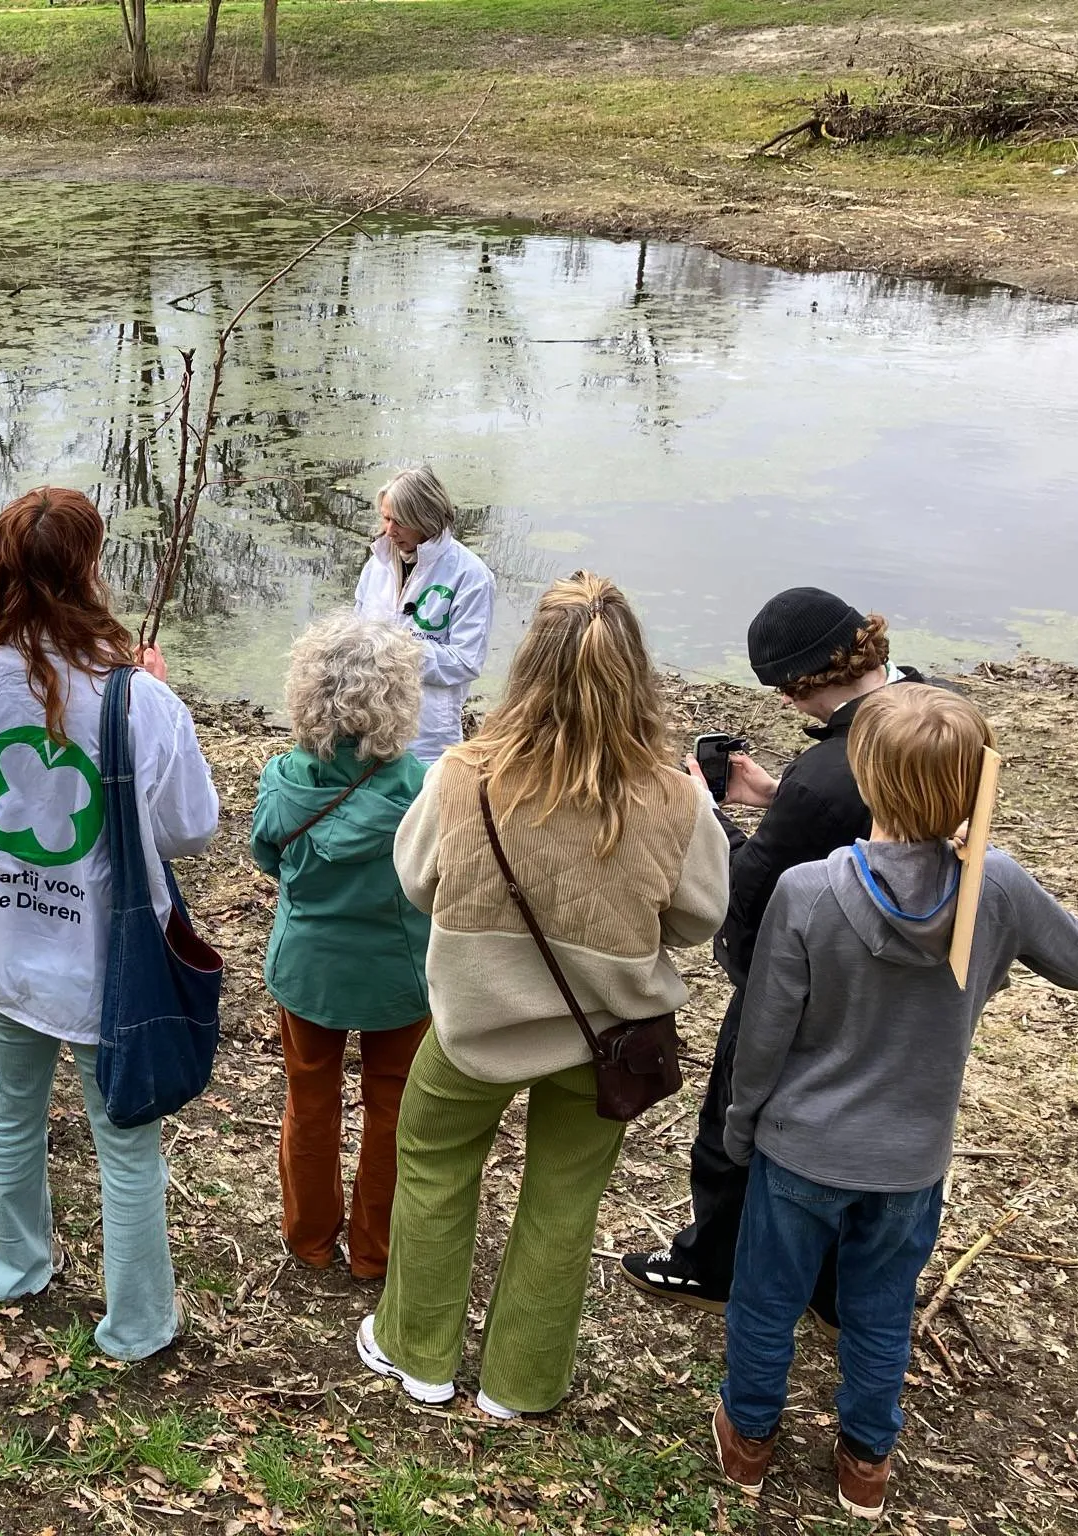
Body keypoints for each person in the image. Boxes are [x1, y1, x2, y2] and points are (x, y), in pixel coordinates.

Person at [713, 685, 1078, 1520]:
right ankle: (865, 1462)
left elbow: (766, 1035)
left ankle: (748, 1442)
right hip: (911, 1155)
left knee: (767, 1298)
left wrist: (740, 1129)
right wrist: (990, 865)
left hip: (799, 1148)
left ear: (865, 772)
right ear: (974, 786)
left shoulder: (811, 891)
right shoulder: (992, 886)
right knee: (882, 1309)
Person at [0, 487, 219, 1362]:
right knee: (126, 1148)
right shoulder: (139, 702)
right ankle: (136, 1325)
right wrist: (152, 710)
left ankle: (13, 1270)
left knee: (13, 1114)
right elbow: (191, 830)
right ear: (91, 570)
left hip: (4, 946)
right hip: (110, 968)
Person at [358, 572, 728, 1417]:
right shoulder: (674, 796)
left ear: (527, 667)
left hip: (475, 1026)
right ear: (636, 673)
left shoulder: (461, 775)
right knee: (564, 1196)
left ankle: (417, 1352)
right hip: (607, 1040)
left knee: (434, 1166)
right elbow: (700, 917)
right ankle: (520, 1382)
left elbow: (418, 881)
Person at [622, 588, 926, 1325]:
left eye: (788, 691)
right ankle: (833, 1286)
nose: (793, 707)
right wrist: (778, 794)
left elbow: (747, 899)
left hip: (810, 979)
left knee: (733, 1120)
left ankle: (709, 1263)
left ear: (804, 680)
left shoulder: (827, 778)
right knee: (858, 1125)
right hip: (905, 977)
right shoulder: (932, 711)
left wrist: (712, 817)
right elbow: (850, 813)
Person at [249, 614, 431, 1281]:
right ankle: (374, 1253)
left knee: (311, 1100)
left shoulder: (282, 779)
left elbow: (267, 856)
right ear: (400, 697)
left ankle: (310, 1239)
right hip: (400, 975)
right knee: (393, 1109)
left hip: (309, 968)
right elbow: (433, 881)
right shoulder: (420, 790)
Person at [351, 465, 495, 763]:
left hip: (428, 735)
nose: (389, 531)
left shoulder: (470, 576)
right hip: (369, 724)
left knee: (422, 805)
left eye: (399, 522)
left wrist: (398, 650)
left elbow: (466, 662)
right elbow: (355, 633)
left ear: (425, 519)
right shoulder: (376, 565)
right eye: (386, 517)